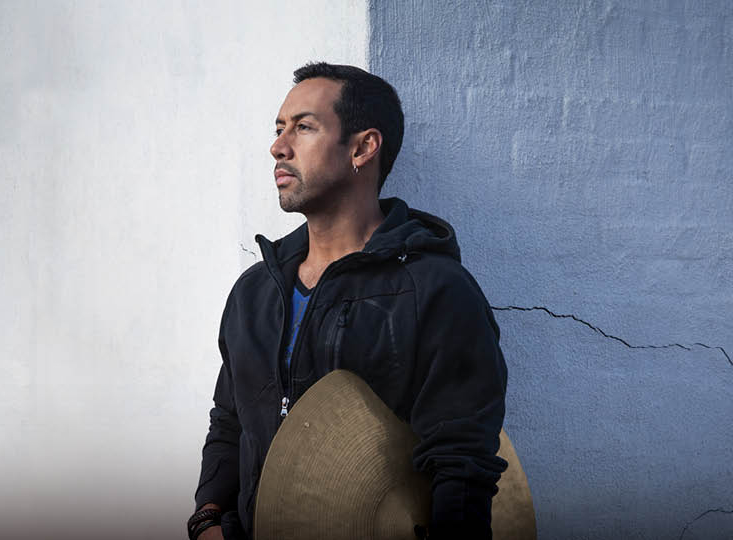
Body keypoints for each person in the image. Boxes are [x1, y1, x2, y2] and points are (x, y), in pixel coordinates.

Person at [188, 62, 508, 540]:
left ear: (362, 148)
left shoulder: (436, 291)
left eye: (303, 127)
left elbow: (462, 463)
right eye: (279, 129)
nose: (278, 146)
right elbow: (230, 421)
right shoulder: (255, 291)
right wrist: (207, 519)